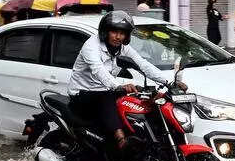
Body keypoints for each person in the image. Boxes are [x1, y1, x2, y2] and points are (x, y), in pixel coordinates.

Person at [68, 11, 185, 152]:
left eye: (122, 33)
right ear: (105, 32)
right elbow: (99, 70)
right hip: (82, 94)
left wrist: (169, 83)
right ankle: (121, 140)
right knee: (107, 97)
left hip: (106, 91)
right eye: (114, 32)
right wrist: (119, 86)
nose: (118, 37)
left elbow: (143, 64)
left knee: (144, 96)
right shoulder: (91, 46)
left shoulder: (122, 47)